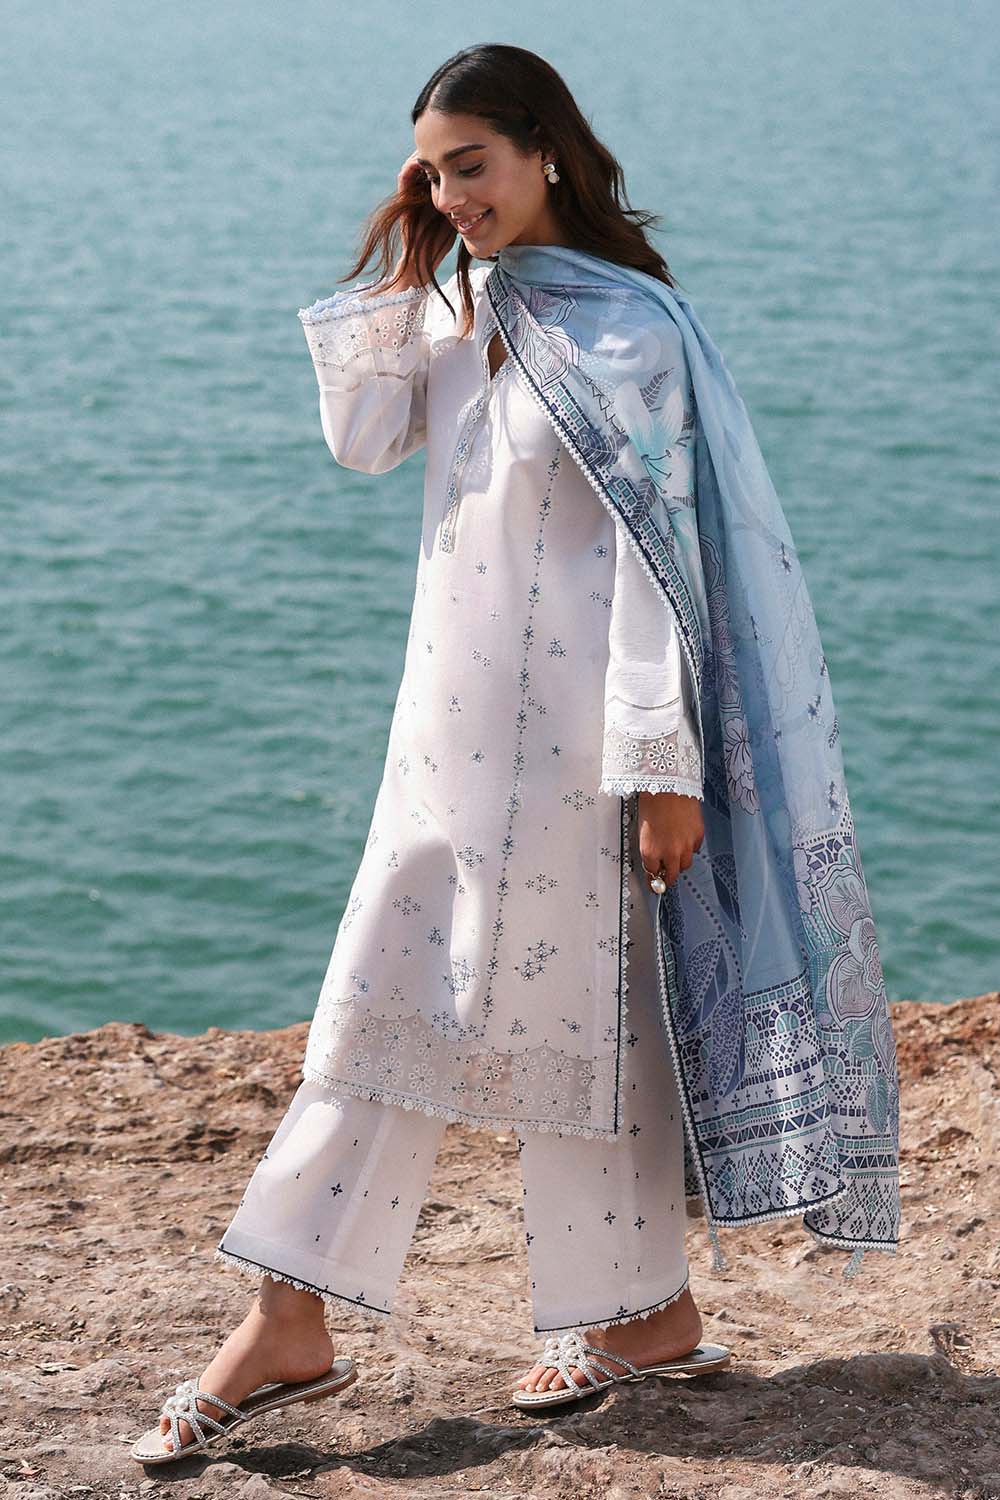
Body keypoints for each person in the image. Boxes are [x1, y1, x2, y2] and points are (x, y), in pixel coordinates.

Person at [131, 41, 899, 1466]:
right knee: (379, 1006)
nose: (454, 194)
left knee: (588, 1028)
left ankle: (625, 1314)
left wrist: (662, 764)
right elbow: (364, 439)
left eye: (472, 165)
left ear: (547, 148)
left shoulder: (630, 332)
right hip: (445, 743)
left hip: (580, 759)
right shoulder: (460, 305)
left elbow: (659, 566)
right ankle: (311, 1316)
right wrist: (411, 253)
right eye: (432, 172)